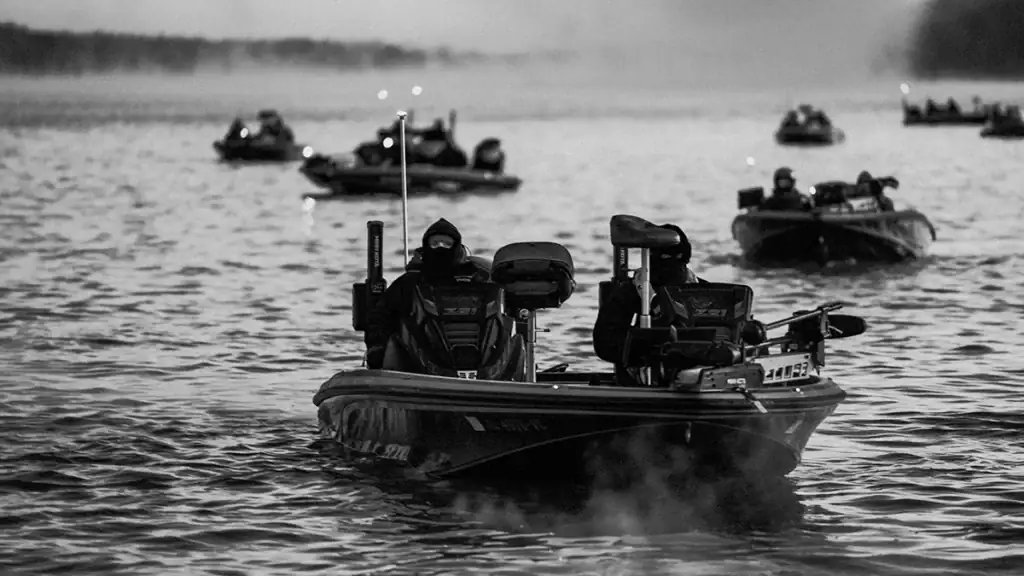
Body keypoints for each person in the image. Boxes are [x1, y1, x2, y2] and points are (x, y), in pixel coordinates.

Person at [364, 219, 490, 368]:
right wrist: (377, 347)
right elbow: (381, 316)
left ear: (457, 246)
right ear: (426, 245)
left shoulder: (475, 280)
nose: (440, 247)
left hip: (477, 350)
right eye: (435, 243)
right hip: (419, 356)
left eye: (447, 243)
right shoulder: (410, 282)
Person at [593, 224, 706, 366]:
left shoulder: (704, 291)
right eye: (664, 257)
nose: (668, 265)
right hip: (646, 369)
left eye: (674, 257)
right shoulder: (633, 291)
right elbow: (605, 344)